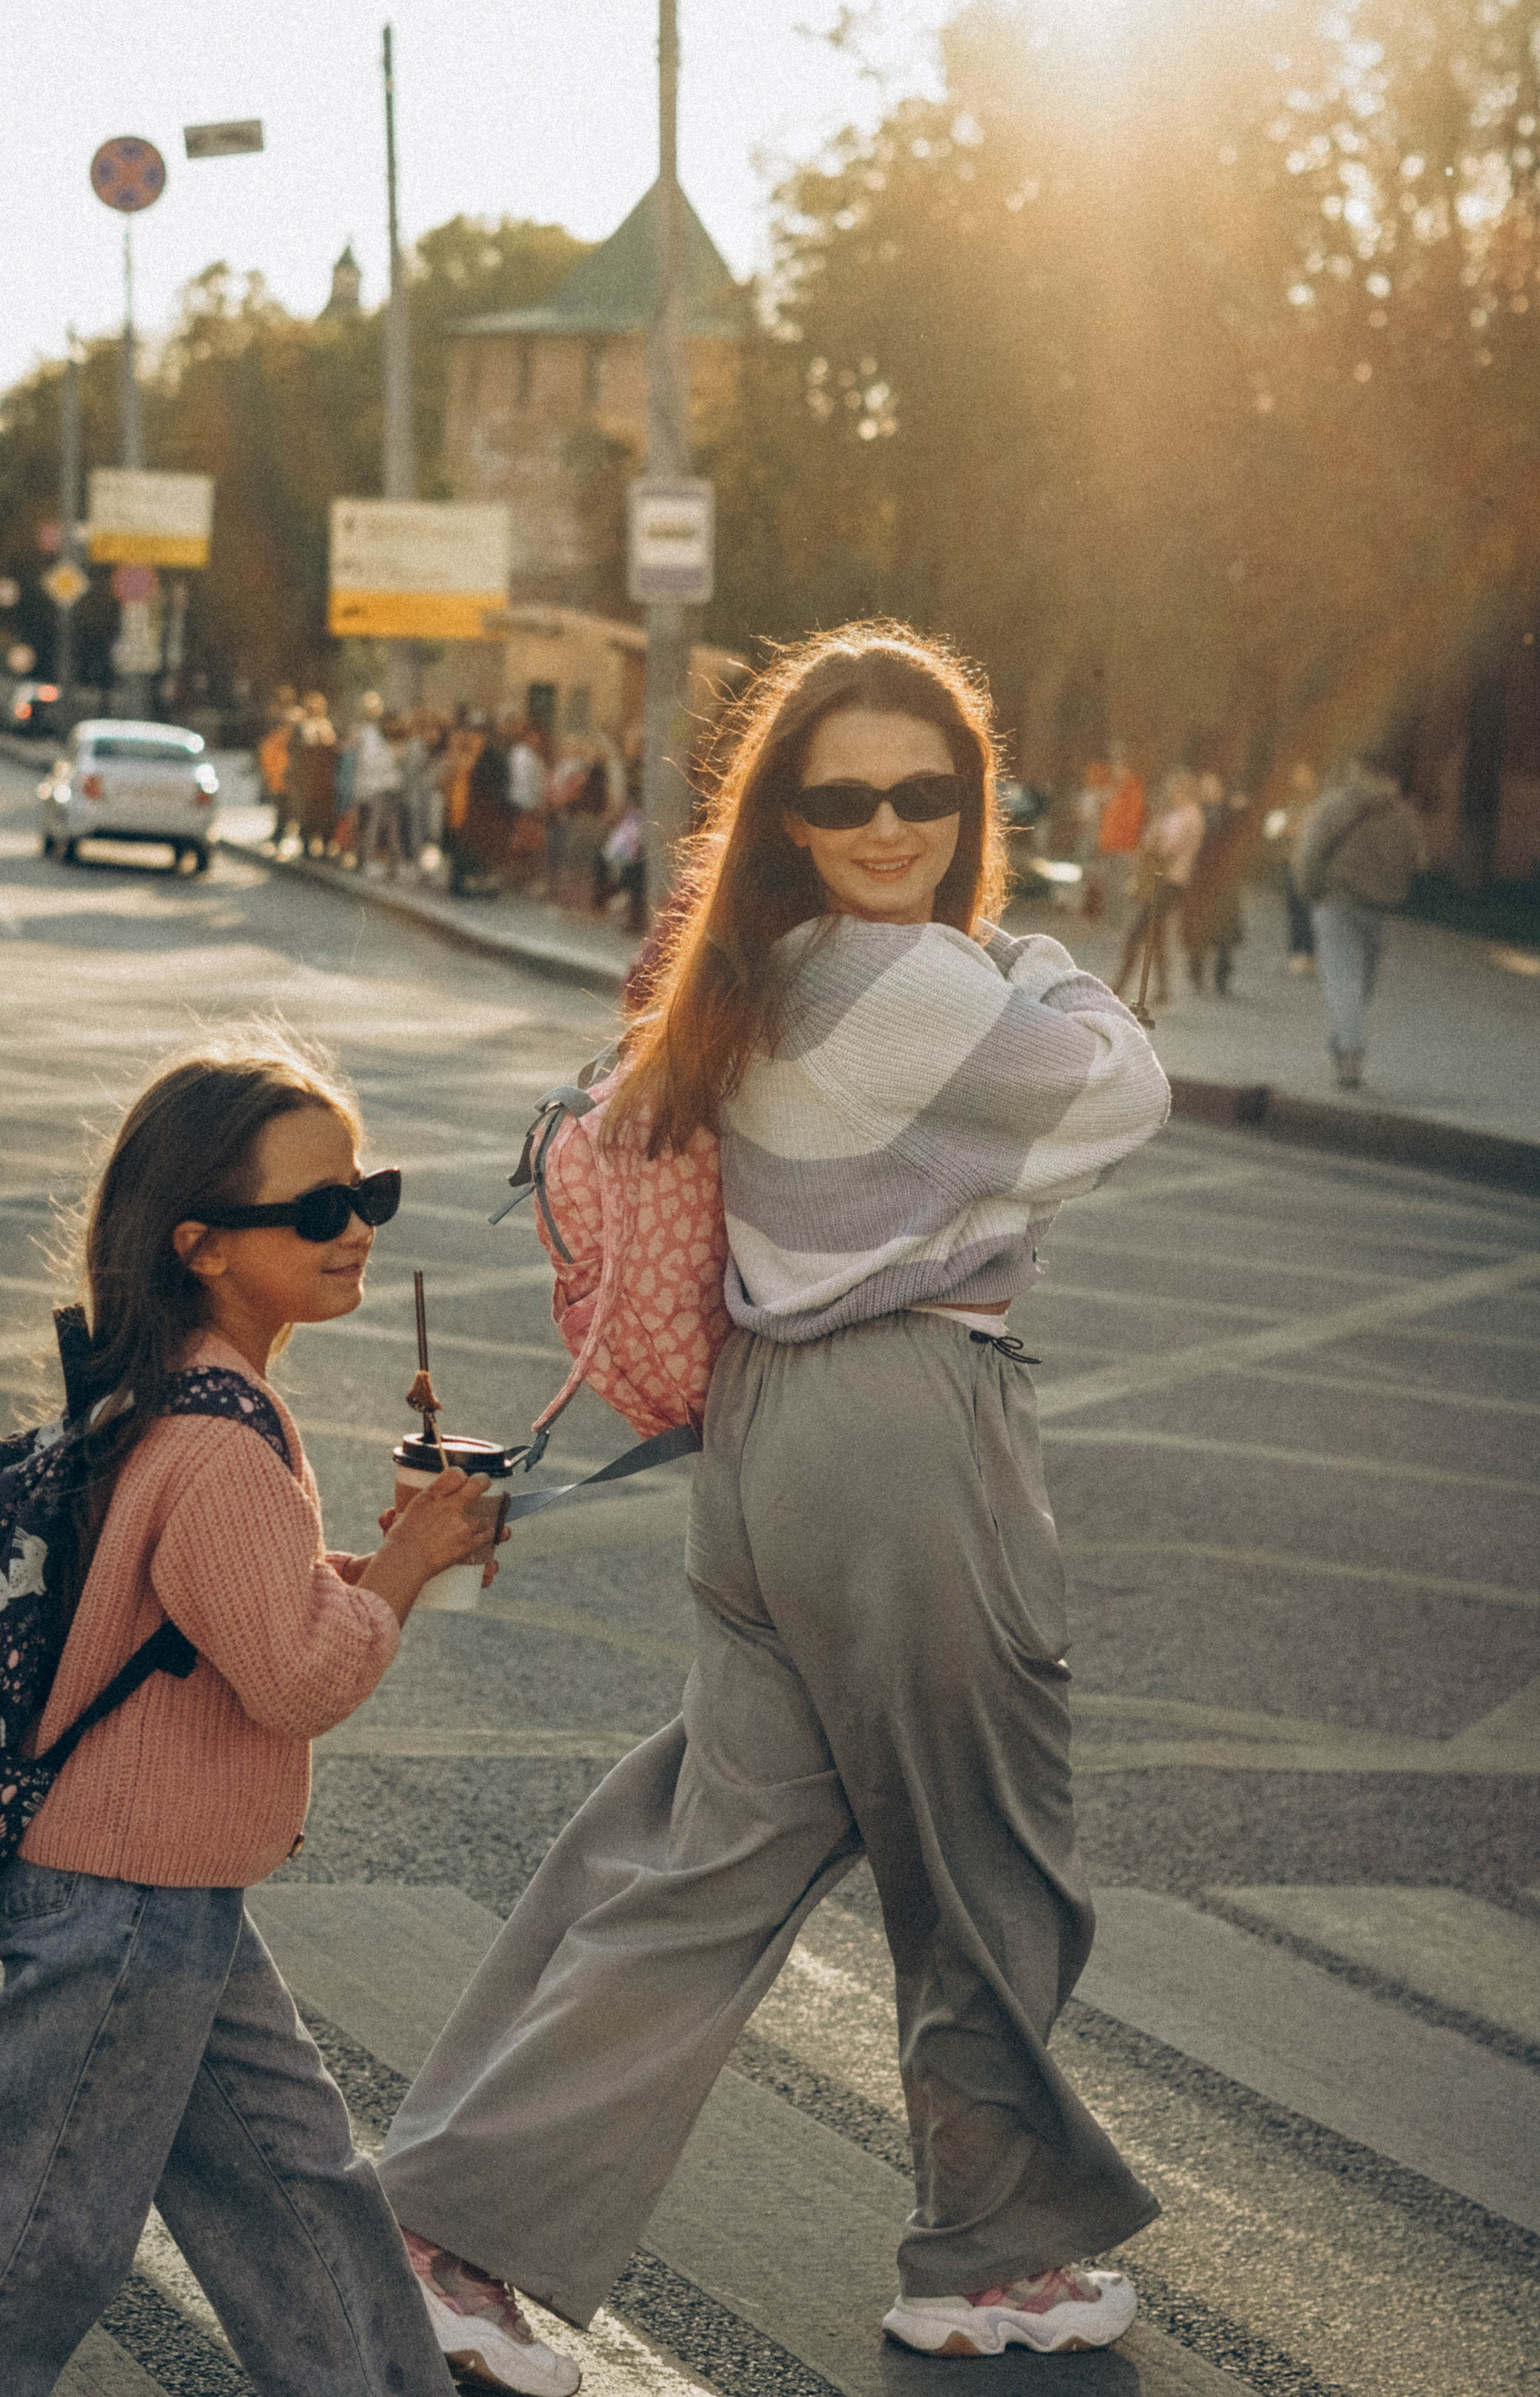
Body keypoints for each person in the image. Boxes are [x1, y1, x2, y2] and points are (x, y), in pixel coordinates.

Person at [378, 623, 1170, 2379]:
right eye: (844, 797)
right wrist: (1035, 954)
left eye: (922, 790)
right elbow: (1124, 1091)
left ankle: (447, 2229)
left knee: (705, 1857)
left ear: (963, 796)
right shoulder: (916, 978)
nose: (887, 824)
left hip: (765, 1441)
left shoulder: (759, 969)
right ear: (789, 818)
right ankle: (991, 2262)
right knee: (985, 1855)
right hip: (899, 1432)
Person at [0, 1029, 582, 2397]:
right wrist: (405, 1570)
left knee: (300, 2185)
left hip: (166, 1886)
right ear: (202, 1244)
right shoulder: (219, 1441)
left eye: (367, 1194)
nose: (357, 1228)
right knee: (42, 2238)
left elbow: (210, 1612)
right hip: (125, 1902)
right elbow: (297, 1677)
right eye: (319, 1209)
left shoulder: (175, 1391)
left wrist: (376, 1570)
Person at [1293, 752, 1424, 1089]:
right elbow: (1419, 860)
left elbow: (1308, 851)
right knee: (1361, 983)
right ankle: (1347, 1047)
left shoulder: (1335, 804)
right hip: (1378, 908)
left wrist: (1309, 890)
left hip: (1335, 904)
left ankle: (1348, 1046)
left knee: (1343, 980)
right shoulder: (1403, 814)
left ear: (1359, 768)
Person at [1112, 768, 1206, 1008]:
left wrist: (1154, 839)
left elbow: (1165, 848)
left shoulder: (1189, 816)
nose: (1171, 794)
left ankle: (1119, 985)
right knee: (1157, 937)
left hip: (1169, 882)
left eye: (1174, 790)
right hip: (1168, 881)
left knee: (1136, 935)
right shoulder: (1181, 815)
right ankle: (1163, 991)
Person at [349, 691, 407, 877]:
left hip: (389, 787)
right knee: (372, 825)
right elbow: (368, 761)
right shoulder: (365, 733)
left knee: (391, 827)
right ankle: (368, 861)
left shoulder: (385, 732)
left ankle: (395, 863)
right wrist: (391, 759)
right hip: (372, 787)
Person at [285, 691, 339, 857]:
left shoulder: (326, 725)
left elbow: (333, 749)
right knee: (307, 814)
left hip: (324, 778)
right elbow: (293, 749)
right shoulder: (301, 727)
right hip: (307, 778)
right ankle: (307, 846)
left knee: (325, 814)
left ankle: (325, 846)